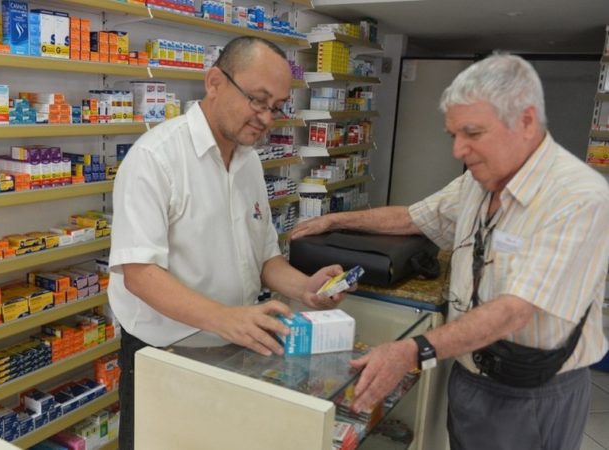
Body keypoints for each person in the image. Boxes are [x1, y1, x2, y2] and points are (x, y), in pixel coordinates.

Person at [290, 53, 609, 450]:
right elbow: (411, 218)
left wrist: (411, 351)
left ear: (526, 122)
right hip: (471, 376)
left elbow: (516, 308)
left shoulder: (579, 197)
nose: (459, 150)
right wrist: (334, 221)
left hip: (535, 393)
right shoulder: (477, 181)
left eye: (473, 133)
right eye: (453, 135)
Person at [109, 36, 347, 450]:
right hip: (162, 356)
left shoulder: (249, 160)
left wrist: (305, 287)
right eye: (258, 100)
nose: (266, 118)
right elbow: (140, 275)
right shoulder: (155, 158)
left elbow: (263, 257)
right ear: (215, 82)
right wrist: (227, 318)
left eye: (276, 107)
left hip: (234, 349)